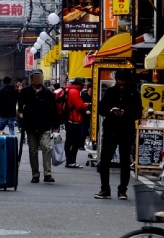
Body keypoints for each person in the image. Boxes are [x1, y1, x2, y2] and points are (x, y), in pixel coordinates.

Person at [95, 69, 142, 199]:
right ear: (116, 81)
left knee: (125, 161)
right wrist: (111, 110)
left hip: (126, 130)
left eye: (123, 84)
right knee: (104, 160)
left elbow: (138, 112)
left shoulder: (134, 94)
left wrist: (126, 113)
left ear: (128, 81)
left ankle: (123, 190)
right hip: (110, 129)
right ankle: (105, 189)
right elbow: (100, 108)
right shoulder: (110, 92)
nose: (121, 86)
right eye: (119, 83)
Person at [18, 69, 57, 184]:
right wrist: (21, 122)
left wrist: (55, 125)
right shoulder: (25, 92)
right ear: (31, 79)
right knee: (33, 151)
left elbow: (53, 109)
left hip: (44, 126)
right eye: (35, 77)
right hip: (30, 126)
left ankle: (47, 173)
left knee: (46, 147)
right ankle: (35, 174)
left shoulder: (47, 93)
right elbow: (20, 108)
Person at [60, 78, 89, 168]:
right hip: (74, 119)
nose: (83, 87)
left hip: (69, 119)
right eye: (82, 85)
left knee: (69, 140)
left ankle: (69, 161)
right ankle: (71, 161)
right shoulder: (74, 92)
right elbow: (79, 105)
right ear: (78, 84)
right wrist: (87, 105)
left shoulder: (69, 90)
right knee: (75, 141)